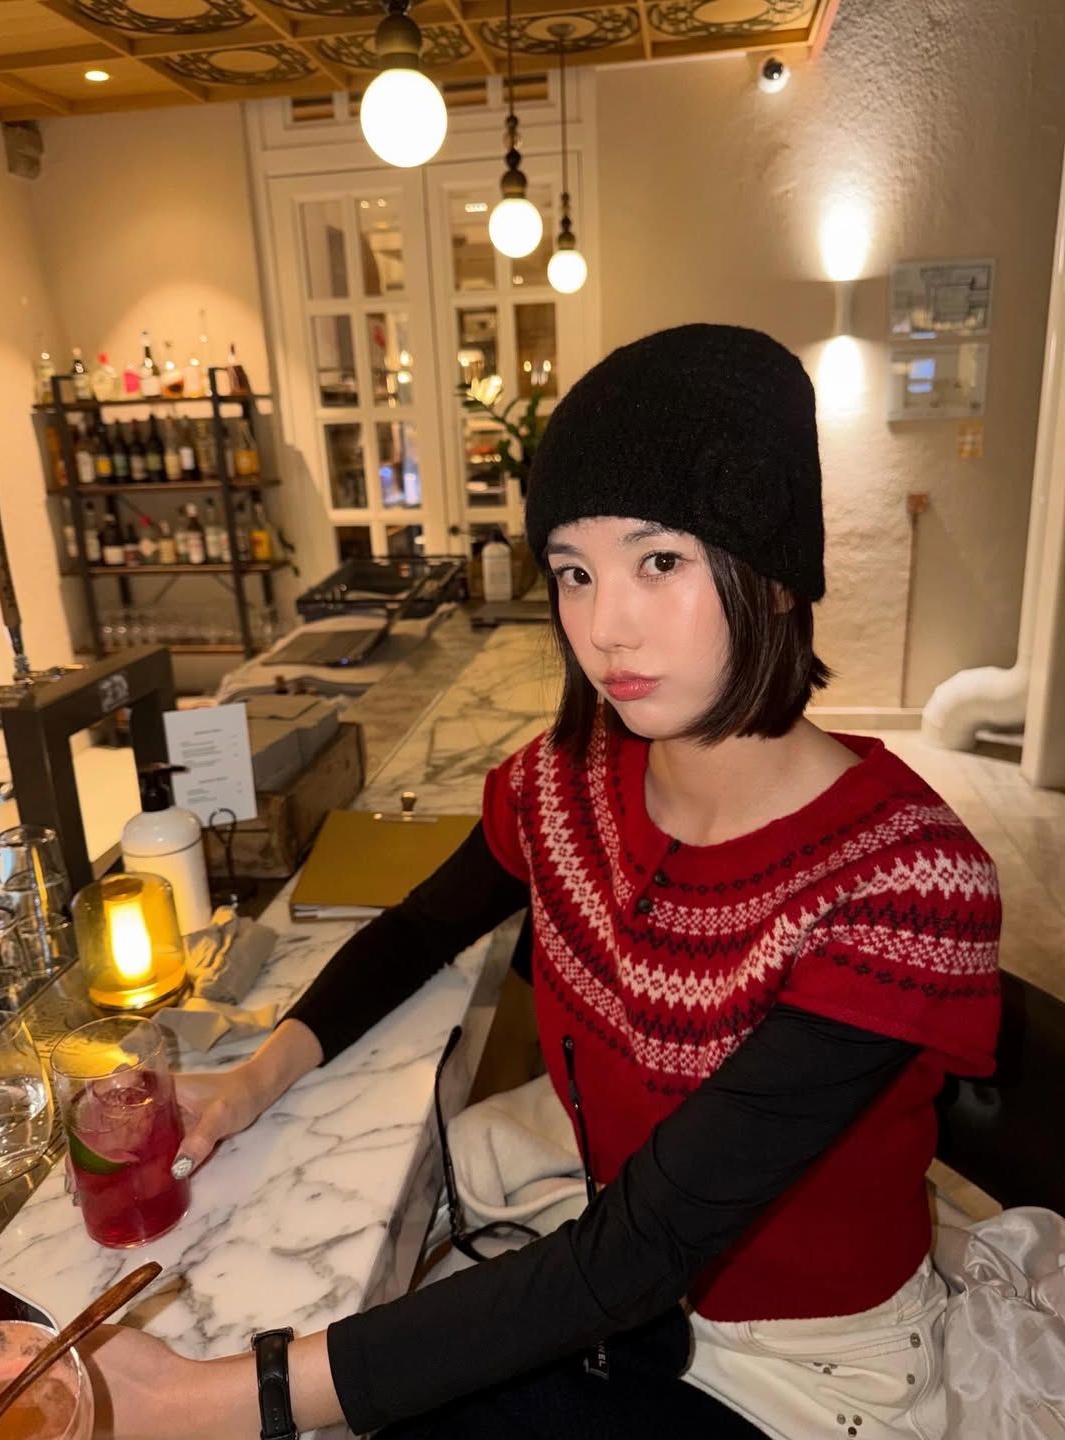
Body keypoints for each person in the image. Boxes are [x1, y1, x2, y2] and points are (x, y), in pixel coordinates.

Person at [83, 326, 1001, 1440]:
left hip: (807, 1372)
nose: (605, 627)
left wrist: (209, 1398)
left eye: (659, 562)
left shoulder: (905, 886)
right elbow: (422, 926)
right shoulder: (571, 784)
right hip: (618, 1278)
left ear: (771, 573)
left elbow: (637, 1255)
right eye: (574, 572)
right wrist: (249, 1082)